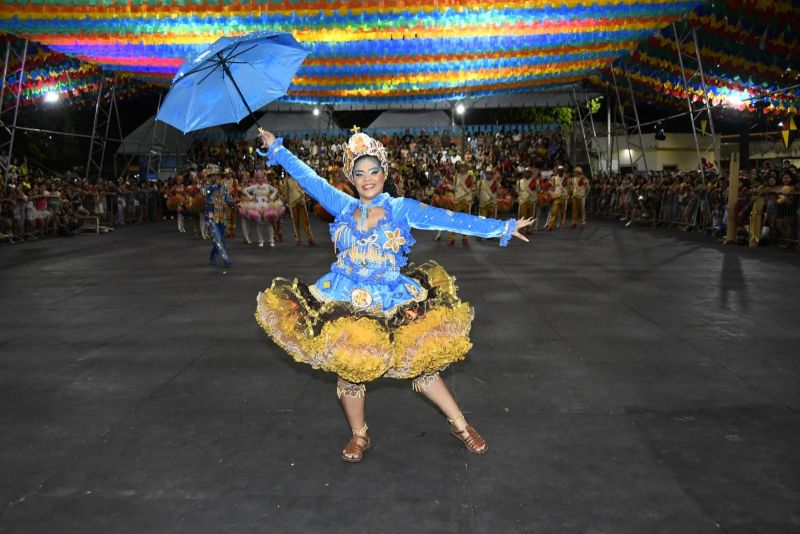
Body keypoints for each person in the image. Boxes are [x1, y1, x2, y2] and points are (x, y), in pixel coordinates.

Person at [254, 129, 533, 462]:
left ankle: (460, 425)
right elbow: (307, 177)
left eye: (373, 171)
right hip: (346, 299)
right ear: (351, 178)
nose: (367, 178)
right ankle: (359, 435)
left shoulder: (401, 208)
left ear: (385, 174)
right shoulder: (343, 206)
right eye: (359, 173)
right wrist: (276, 149)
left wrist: (500, 228)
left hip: (392, 298)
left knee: (422, 366)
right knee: (350, 369)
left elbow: (451, 218)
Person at [202, 164, 235, 267]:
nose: (216, 177)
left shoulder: (223, 188)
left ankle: (212, 256)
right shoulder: (206, 187)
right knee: (218, 238)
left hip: (223, 216)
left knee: (219, 238)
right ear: (210, 177)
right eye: (213, 175)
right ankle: (226, 259)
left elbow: (229, 199)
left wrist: (233, 204)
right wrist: (215, 186)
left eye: (217, 175)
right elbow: (205, 193)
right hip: (212, 217)